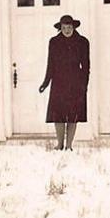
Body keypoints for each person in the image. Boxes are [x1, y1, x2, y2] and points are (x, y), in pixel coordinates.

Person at [38, 14, 90, 151]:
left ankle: (69, 145)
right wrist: (45, 83)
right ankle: (60, 144)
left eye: (69, 27)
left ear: (74, 27)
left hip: (76, 82)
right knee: (58, 114)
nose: (67, 30)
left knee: (73, 115)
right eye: (64, 27)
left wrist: (84, 84)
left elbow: (86, 66)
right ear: (60, 28)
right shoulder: (54, 42)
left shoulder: (82, 42)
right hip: (58, 82)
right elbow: (50, 64)